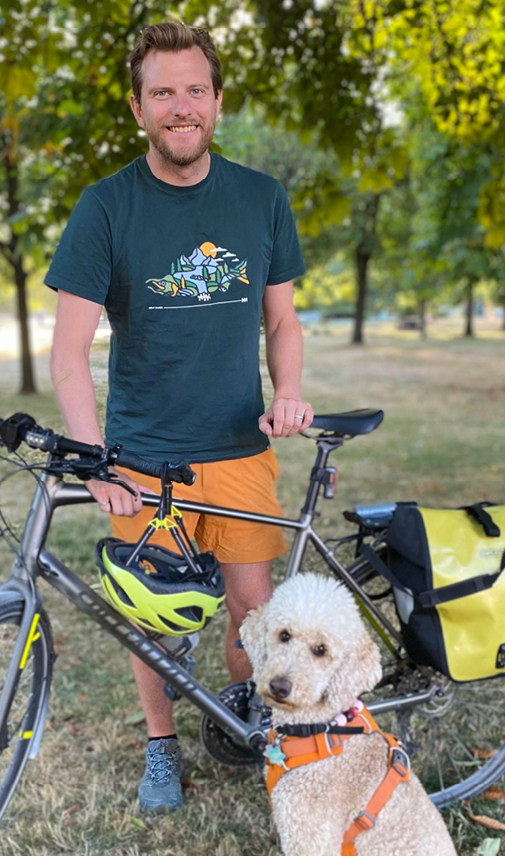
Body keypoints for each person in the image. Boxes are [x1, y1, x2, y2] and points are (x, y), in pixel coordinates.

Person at [45, 21, 313, 813]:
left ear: (217, 102)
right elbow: (67, 352)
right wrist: (93, 460)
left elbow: (282, 322)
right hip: (142, 454)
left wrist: (288, 390)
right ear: (138, 108)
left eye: (194, 89)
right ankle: (160, 747)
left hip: (237, 446)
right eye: (162, 91)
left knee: (249, 613)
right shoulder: (106, 207)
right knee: (151, 614)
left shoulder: (260, 198)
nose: (180, 105)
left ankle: (243, 722)